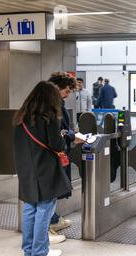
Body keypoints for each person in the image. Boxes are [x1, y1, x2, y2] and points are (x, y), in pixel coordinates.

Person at [13, 81, 73, 256]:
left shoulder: (20, 118)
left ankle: (28, 250)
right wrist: (65, 136)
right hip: (45, 167)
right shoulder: (49, 116)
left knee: (30, 207)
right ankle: (39, 251)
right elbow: (56, 145)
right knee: (45, 208)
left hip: (26, 168)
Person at [47, 72, 78, 244]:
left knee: (52, 192)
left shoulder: (56, 104)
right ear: (56, 88)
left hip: (55, 152)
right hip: (52, 155)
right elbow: (58, 132)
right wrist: (72, 136)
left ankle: (53, 219)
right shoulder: (51, 107)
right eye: (66, 91)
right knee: (49, 193)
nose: (68, 94)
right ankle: (46, 229)